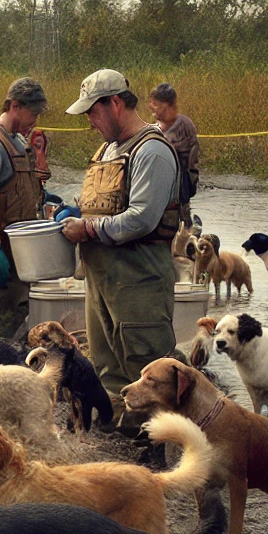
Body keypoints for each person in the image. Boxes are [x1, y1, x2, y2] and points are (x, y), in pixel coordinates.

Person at [59, 69, 185, 431]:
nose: (90, 122)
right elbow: (104, 206)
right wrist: (73, 214)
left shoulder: (153, 151)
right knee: (108, 371)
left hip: (139, 281)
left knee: (149, 376)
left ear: (115, 103)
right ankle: (122, 453)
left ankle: (157, 463)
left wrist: (88, 227)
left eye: (92, 113)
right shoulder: (107, 150)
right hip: (102, 281)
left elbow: (142, 219)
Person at [0, 78, 50, 342]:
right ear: (15, 105)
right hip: (1, 253)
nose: (35, 120)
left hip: (20, 253)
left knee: (16, 318)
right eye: (32, 113)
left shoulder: (17, 142)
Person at [150, 82, 200, 225]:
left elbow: (192, 156)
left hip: (180, 179)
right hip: (160, 180)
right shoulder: (156, 126)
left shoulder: (185, 125)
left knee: (181, 219)